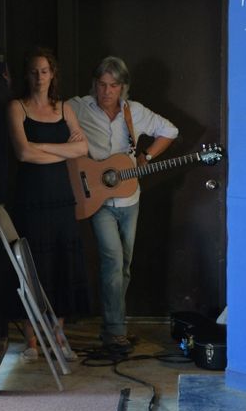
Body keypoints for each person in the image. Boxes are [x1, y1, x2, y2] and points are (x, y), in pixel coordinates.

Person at [69, 56, 179, 352]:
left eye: (113, 86)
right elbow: (55, 116)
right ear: (95, 84)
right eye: (102, 85)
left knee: (124, 265)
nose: (106, 91)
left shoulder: (135, 113)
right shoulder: (78, 107)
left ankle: (111, 328)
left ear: (123, 88)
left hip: (130, 198)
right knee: (113, 261)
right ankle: (116, 332)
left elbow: (170, 131)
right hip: (96, 199)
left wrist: (147, 157)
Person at [7, 46, 89, 362]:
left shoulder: (64, 108)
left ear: (52, 74)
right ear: (26, 75)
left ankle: (58, 336)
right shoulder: (17, 107)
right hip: (31, 199)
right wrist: (58, 149)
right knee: (34, 267)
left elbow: (82, 147)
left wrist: (41, 145)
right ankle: (32, 342)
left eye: (45, 71)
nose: (40, 77)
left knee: (62, 266)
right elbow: (23, 154)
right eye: (34, 71)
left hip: (61, 198)